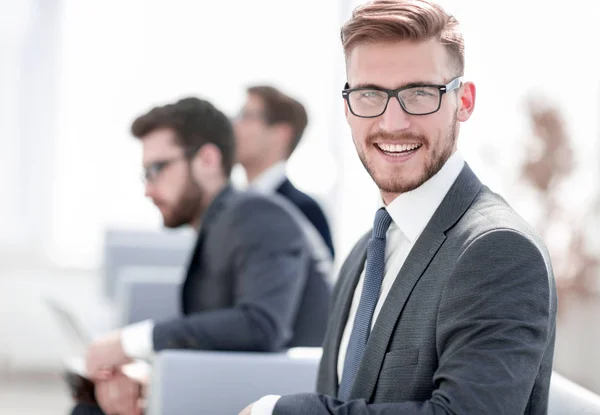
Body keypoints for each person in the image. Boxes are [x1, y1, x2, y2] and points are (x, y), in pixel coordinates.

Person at [242, 1, 557, 414]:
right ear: (347, 105)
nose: (393, 122)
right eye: (369, 94)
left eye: (419, 93)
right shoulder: (365, 253)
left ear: (463, 101)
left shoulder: (498, 251)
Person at [71, 97, 331, 415]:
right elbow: (223, 344)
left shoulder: (257, 214)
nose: (148, 190)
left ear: (207, 159)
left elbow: (261, 326)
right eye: (146, 175)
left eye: (157, 169)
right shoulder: (220, 225)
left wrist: (128, 342)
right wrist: (151, 380)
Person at [234, 85, 335, 259]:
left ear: (281, 133)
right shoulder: (233, 204)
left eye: (247, 116)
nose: (235, 125)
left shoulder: (302, 210)